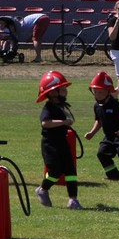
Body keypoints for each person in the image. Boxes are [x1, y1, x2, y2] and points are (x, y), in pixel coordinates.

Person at [34, 70, 82, 210]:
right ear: (52, 92)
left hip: (62, 142)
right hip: (50, 144)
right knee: (55, 171)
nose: (65, 91)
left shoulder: (62, 106)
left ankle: (73, 200)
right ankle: (42, 189)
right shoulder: (48, 108)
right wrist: (63, 122)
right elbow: (45, 123)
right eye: (62, 89)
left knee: (70, 171)